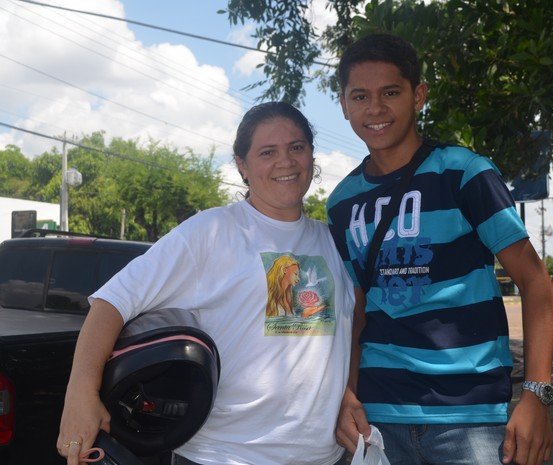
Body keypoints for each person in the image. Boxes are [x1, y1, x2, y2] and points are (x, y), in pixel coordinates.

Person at [58, 101, 355, 465]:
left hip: (324, 457)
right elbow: (112, 304)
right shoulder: (212, 231)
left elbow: (348, 334)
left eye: (297, 147)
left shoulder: (333, 242)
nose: (286, 162)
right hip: (223, 455)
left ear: (311, 155)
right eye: (267, 152)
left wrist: (347, 397)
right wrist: (80, 393)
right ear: (242, 165)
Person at [327, 33, 553, 465]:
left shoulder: (464, 173)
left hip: (469, 416)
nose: (375, 109)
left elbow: (535, 281)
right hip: (378, 419)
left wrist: (536, 395)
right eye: (360, 96)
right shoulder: (342, 203)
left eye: (390, 93)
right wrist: (348, 394)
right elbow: (356, 313)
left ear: (419, 96)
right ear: (343, 104)